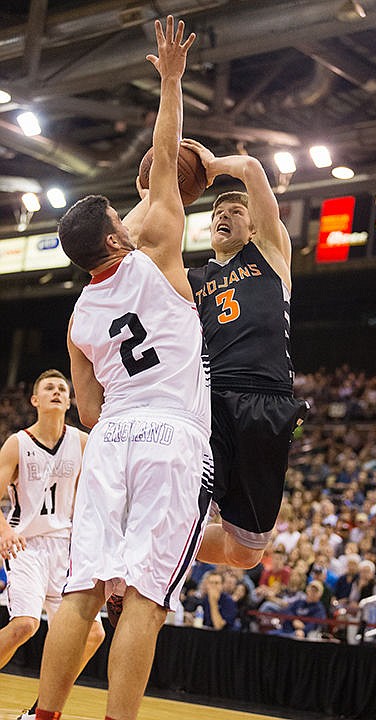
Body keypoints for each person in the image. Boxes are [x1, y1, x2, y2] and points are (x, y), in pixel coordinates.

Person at [33, 17, 211, 720]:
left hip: (110, 440)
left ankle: (44, 714)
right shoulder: (159, 246)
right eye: (121, 212)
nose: (134, 211)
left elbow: (87, 411)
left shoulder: (76, 319)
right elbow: (166, 161)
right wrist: (170, 78)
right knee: (145, 598)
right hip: (169, 435)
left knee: (81, 591)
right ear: (117, 234)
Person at [183, 136, 308, 570]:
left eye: (236, 212)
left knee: (248, 553)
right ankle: (146, 543)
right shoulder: (192, 279)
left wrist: (212, 166)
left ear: (254, 225)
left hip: (267, 398)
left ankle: (160, 537)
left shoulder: (270, 253)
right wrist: (155, 192)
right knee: (184, 497)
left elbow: (253, 169)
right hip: (209, 397)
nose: (224, 215)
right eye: (218, 212)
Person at [0, 370, 105, 719]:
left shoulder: (83, 442)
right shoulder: (17, 443)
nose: (58, 391)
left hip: (67, 548)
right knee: (24, 625)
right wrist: (4, 532)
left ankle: (38, 711)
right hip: (26, 545)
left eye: (63, 388)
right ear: (35, 400)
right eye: (50, 387)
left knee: (92, 635)